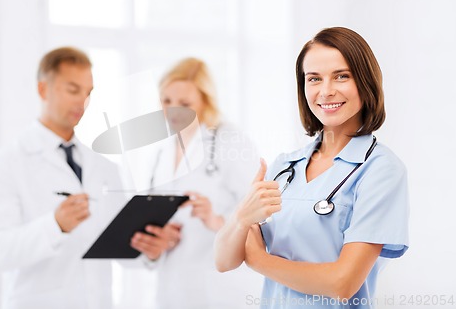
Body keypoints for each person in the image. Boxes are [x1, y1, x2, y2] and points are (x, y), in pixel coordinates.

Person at [215, 27, 409, 308]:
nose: (326, 91)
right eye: (314, 79)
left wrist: (259, 259)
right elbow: (223, 260)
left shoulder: (381, 170)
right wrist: (241, 217)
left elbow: (342, 283)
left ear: (365, 82)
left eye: (342, 76)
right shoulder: (285, 166)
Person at [0, 47, 124, 309]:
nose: (82, 102)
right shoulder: (5, 164)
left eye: (88, 92)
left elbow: (118, 245)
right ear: (43, 89)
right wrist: (55, 225)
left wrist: (148, 245)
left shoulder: (104, 167)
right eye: (72, 89)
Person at [129, 57, 264, 309]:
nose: (173, 110)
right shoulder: (162, 152)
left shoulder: (230, 141)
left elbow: (262, 215)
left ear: (205, 100)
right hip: (172, 286)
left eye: (185, 103)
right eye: (166, 101)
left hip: (221, 288)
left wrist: (216, 220)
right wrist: (159, 237)